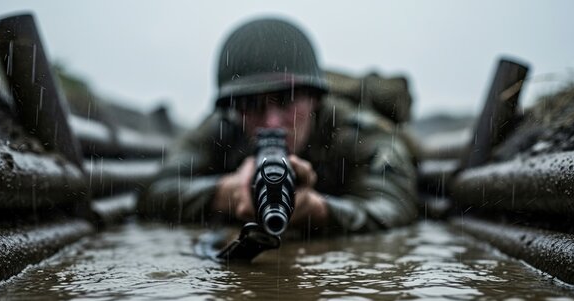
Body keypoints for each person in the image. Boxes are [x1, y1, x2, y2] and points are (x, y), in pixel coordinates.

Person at [137, 18, 418, 235]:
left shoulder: (354, 131)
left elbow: (395, 206)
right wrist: (223, 193)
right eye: (251, 104)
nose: (271, 122)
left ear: (316, 99)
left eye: (287, 100)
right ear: (233, 108)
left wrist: (321, 211)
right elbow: (154, 193)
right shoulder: (222, 129)